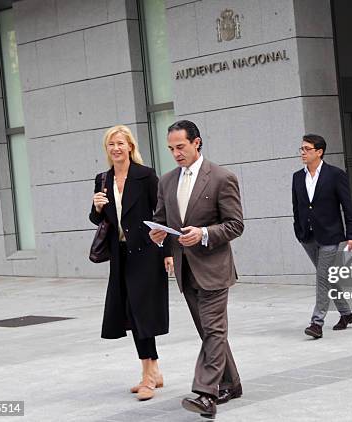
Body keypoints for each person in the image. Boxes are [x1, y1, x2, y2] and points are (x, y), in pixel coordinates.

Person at [149, 120, 243, 419]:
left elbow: (235, 224)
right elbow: (163, 218)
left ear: (196, 142)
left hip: (214, 268)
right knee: (209, 332)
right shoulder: (166, 181)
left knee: (214, 330)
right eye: (171, 149)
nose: (176, 153)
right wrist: (159, 234)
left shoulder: (221, 177)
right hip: (185, 270)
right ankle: (232, 383)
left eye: (181, 147)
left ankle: (205, 393)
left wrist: (203, 233)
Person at [89, 125, 169, 401]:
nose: (116, 148)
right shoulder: (102, 179)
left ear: (131, 147)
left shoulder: (145, 176)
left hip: (146, 253)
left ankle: (148, 377)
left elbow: (162, 214)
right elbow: (99, 220)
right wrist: (97, 207)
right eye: (111, 144)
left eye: (120, 143)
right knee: (132, 314)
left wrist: (167, 251)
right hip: (120, 255)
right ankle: (154, 369)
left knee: (142, 313)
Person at [292, 134, 352, 339]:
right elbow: (297, 207)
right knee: (327, 277)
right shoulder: (297, 177)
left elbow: (347, 206)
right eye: (301, 149)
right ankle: (346, 314)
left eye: (306, 149)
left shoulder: (335, 175)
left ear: (319, 152)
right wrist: (298, 230)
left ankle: (316, 323)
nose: (302, 153)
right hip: (308, 236)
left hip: (331, 236)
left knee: (322, 277)